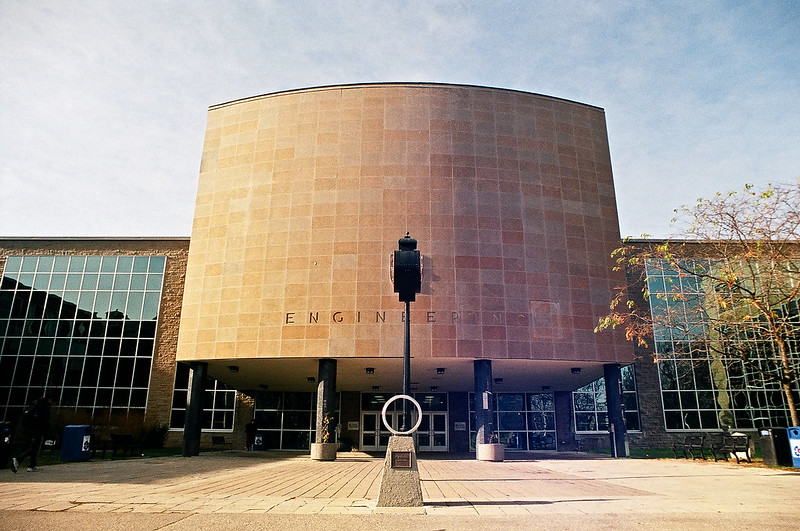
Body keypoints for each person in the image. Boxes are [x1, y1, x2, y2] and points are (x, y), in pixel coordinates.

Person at [11, 394, 52, 473]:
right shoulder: (45, 406)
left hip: (29, 428)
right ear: (49, 399)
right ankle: (18, 459)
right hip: (37, 428)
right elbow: (44, 420)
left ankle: (32, 465)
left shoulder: (36, 404)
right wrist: (49, 431)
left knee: (34, 446)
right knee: (34, 447)